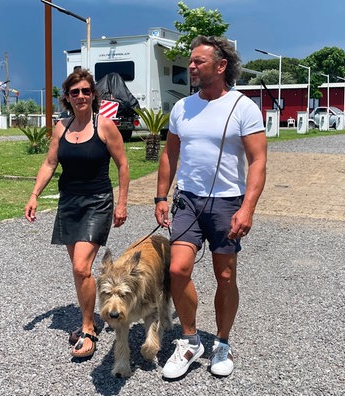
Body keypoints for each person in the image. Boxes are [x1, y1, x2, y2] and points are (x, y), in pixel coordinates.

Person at [154, 35, 267, 379]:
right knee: (177, 270)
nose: (191, 67)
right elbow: (169, 154)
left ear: (221, 66)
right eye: (191, 61)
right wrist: (161, 197)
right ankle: (190, 341)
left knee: (226, 275)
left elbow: (258, 160)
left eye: (198, 62)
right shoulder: (182, 107)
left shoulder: (243, 107)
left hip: (227, 202)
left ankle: (222, 342)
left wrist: (247, 208)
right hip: (188, 200)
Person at [24, 69, 129, 359]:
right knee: (79, 270)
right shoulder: (62, 127)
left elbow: (122, 165)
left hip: (97, 202)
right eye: (75, 92)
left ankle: (88, 329)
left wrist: (122, 204)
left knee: (82, 267)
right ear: (67, 97)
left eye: (85, 91)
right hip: (69, 202)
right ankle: (90, 317)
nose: (81, 96)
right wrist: (34, 195)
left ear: (92, 94)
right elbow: (49, 163)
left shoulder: (105, 126)